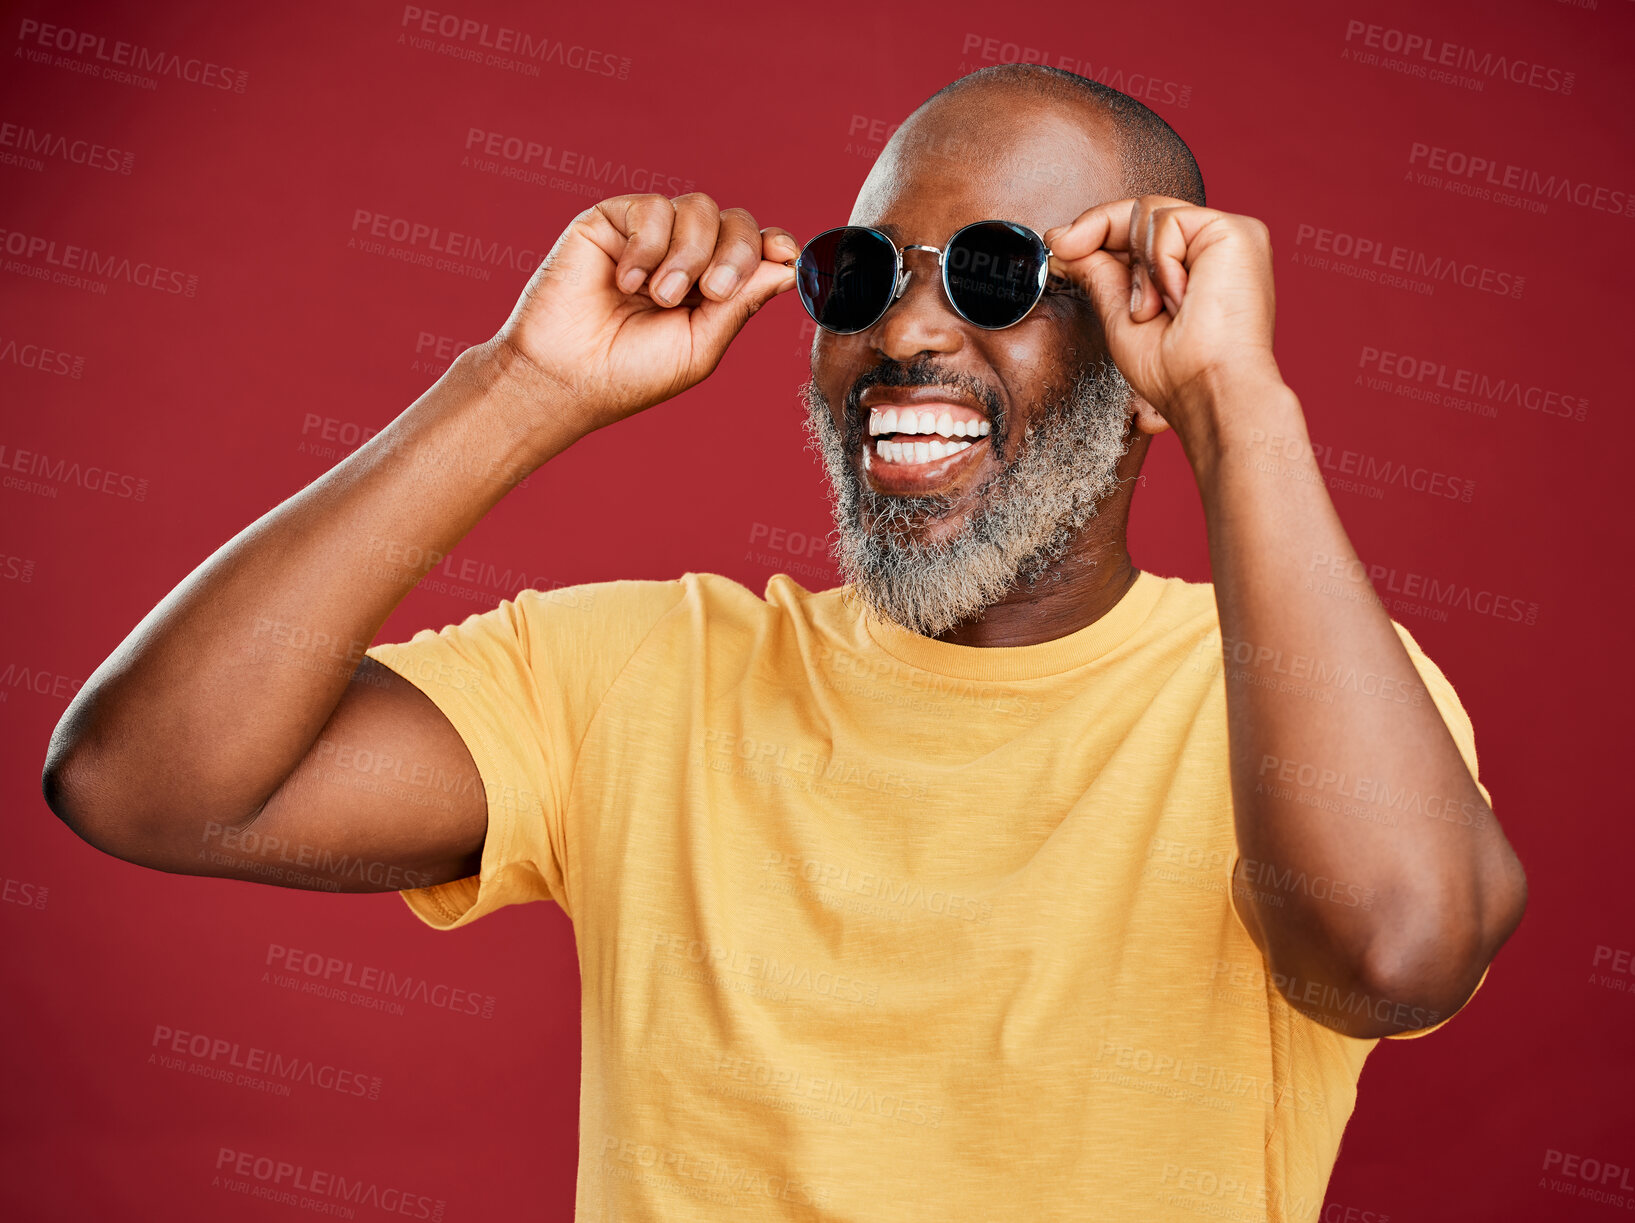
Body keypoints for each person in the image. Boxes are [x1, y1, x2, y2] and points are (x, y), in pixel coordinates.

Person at [42, 64, 1526, 1221]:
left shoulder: (1300, 695)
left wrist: (1237, 405)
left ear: (1147, 340)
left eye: (1000, 275)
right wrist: (519, 384)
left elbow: (1393, 957)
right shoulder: (643, 680)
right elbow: (144, 781)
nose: (908, 335)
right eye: (863, 276)